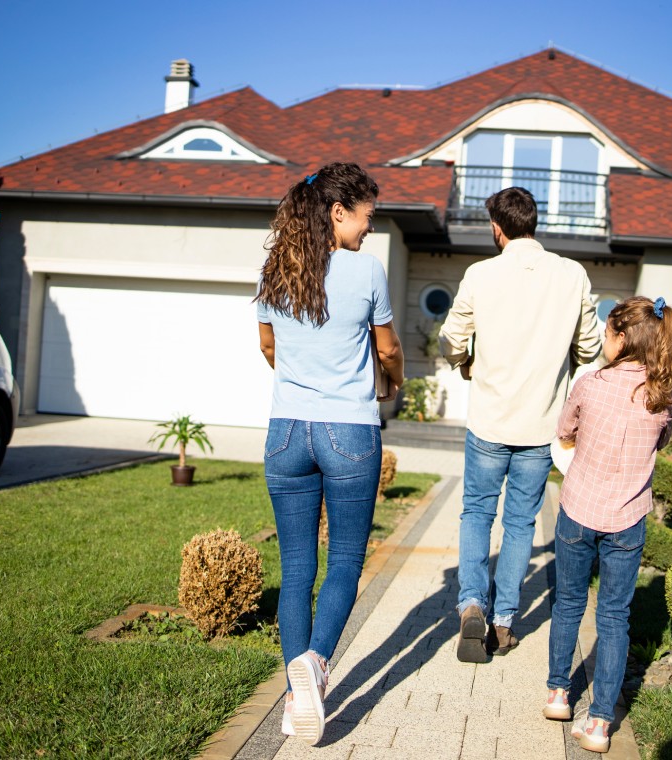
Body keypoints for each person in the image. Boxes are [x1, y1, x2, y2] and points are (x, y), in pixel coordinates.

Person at [255, 162, 405, 746]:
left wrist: (299, 377)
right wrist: (394, 380)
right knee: (344, 560)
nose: (370, 228)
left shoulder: (276, 268)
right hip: (349, 433)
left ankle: (296, 701)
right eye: (367, 216)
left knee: (297, 569)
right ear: (339, 211)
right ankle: (316, 664)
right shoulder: (366, 271)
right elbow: (387, 347)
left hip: (286, 432)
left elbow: (267, 346)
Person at [438, 186, 602, 663]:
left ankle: (472, 604)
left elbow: (452, 338)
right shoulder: (572, 275)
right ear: (533, 223)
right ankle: (505, 622)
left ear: (497, 227)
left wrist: (465, 361)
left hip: (489, 421)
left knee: (476, 514)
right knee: (520, 522)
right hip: (541, 424)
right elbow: (589, 348)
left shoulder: (481, 273)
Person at [543, 296, 672, 754]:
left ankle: (559, 693)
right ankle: (602, 722)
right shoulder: (664, 397)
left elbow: (565, 430)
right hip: (628, 519)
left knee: (567, 602)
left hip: (578, 508)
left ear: (622, 339)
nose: (603, 341)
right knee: (614, 616)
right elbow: (661, 441)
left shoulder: (589, 383)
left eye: (606, 333)